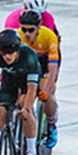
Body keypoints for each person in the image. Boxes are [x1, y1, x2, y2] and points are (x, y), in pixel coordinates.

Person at [0, 29, 41, 155]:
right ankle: (10, 141)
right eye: (3, 53)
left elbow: (32, 87)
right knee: (2, 111)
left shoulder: (29, 56)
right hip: (10, 80)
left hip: (28, 80)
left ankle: (31, 152)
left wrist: (26, 108)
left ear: (17, 50)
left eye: (11, 53)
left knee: (24, 108)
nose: (7, 57)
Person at [16, 10, 60, 147]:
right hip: (28, 64)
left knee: (46, 95)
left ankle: (51, 124)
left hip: (45, 64)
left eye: (30, 30)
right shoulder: (18, 36)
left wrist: (48, 87)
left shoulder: (49, 37)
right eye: (24, 30)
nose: (27, 34)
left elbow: (52, 68)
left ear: (39, 27)